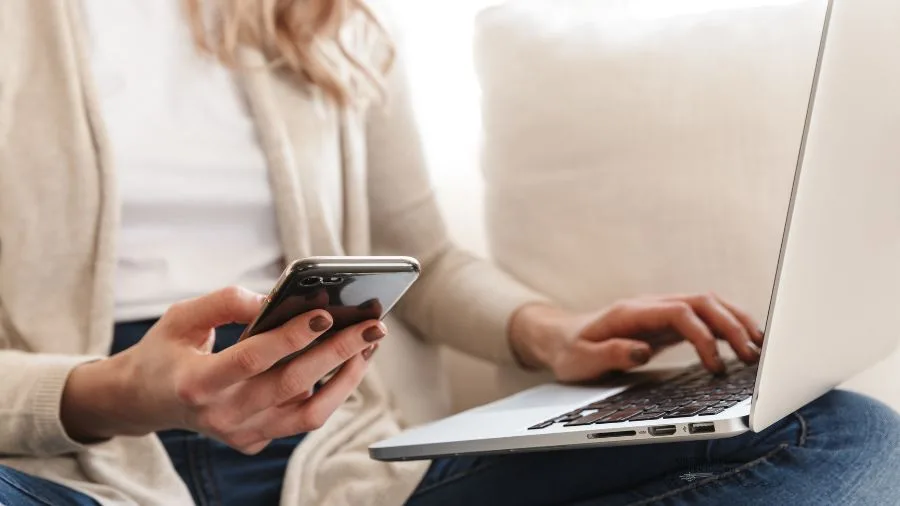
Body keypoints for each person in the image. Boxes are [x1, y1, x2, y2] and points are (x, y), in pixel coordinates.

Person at [0, 1, 897, 505]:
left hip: (336, 464)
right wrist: (115, 394)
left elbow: (417, 256)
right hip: (74, 466)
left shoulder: (315, 16)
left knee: (841, 435)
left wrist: (550, 333)